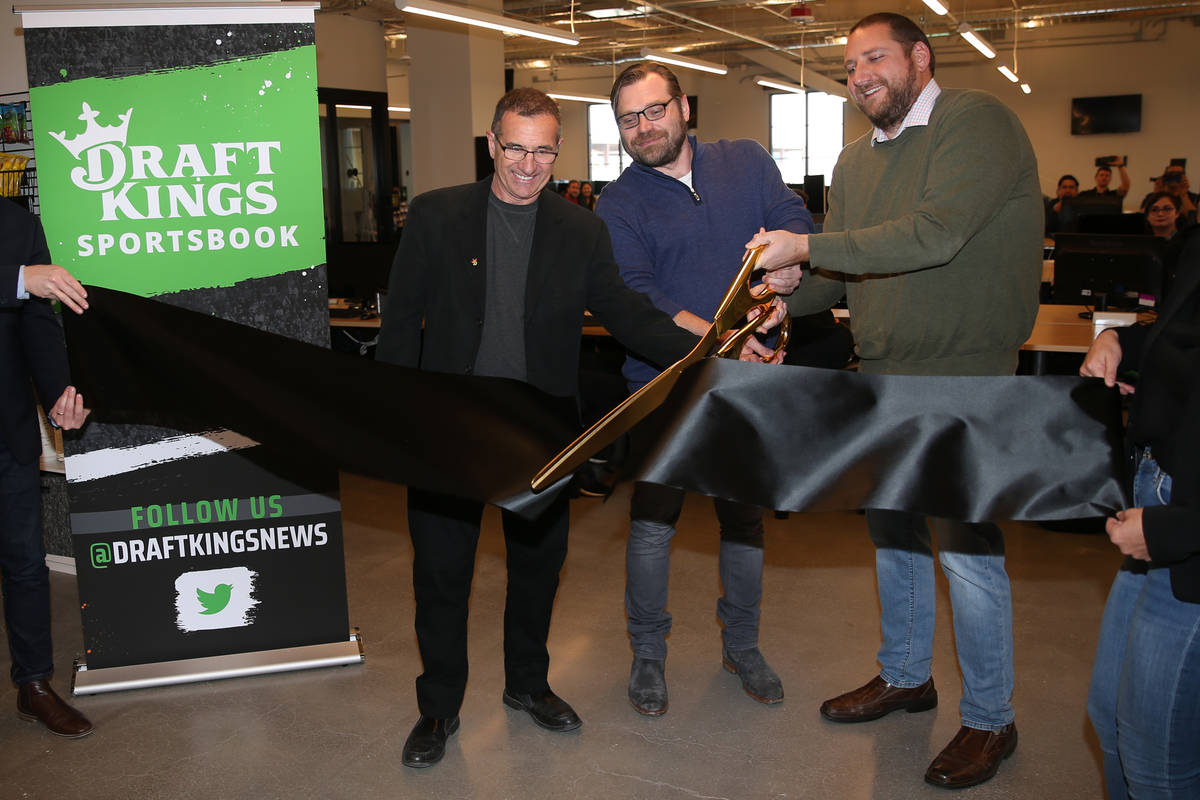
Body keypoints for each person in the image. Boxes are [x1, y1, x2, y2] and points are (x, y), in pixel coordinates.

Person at [746, 12, 1042, 789]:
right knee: (895, 537)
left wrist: (806, 246)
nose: (860, 76)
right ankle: (907, 675)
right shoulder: (854, 160)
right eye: (849, 67)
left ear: (920, 56)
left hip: (965, 376)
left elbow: (934, 234)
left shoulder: (975, 123)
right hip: (880, 370)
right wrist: (786, 300)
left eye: (874, 58)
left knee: (968, 555)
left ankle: (991, 717)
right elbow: (848, 271)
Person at [376, 88, 702, 770]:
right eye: (516, 149)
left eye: (544, 151)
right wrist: (399, 421)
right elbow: (401, 323)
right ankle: (438, 707)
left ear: (559, 151)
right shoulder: (437, 216)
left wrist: (706, 348)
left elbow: (625, 313)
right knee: (441, 575)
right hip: (450, 427)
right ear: (492, 144)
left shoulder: (580, 230)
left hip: (539, 434)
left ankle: (527, 684)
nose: (528, 166)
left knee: (536, 571)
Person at [596, 61, 812, 716]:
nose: (643, 127)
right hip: (663, 386)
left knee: (743, 522)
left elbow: (792, 220)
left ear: (684, 107)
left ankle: (742, 646)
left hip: (745, 386)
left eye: (654, 110)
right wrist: (726, 339)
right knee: (652, 525)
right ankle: (648, 653)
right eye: (628, 119)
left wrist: (786, 270)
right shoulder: (618, 204)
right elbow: (641, 297)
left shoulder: (745, 161)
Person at [1082, 226, 1200, 799]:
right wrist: (1120, 342)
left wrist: (1177, 529)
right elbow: (1182, 336)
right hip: (1158, 499)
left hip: (1184, 534)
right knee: (1109, 715)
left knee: (1158, 757)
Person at [1, 197, 93, 738]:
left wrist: (61, 391)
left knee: (26, 565)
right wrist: (18, 279)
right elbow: (26, 288)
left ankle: (33, 684)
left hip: (8, 428)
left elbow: (37, 321)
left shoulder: (17, 222)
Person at [1141, 163, 1198, 232]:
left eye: (1178, 175)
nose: (1173, 177)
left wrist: (1184, 195)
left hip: (1185, 233)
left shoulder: (1193, 197)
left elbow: (1193, 218)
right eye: (1171, 174)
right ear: (1164, 176)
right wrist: (1157, 195)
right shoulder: (1152, 196)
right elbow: (1143, 217)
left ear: (1184, 177)